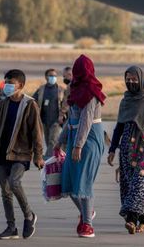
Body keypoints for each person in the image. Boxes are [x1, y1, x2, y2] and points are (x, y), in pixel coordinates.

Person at [107, 66, 144, 234]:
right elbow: (119, 126)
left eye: (134, 79)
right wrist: (112, 150)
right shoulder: (125, 100)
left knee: (139, 184)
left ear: (140, 79)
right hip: (127, 148)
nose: (131, 82)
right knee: (130, 185)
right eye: (128, 79)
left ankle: (132, 220)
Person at [0, 69, 44, 240]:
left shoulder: (30, 104)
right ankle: (11, 227)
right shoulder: (2, 103)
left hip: (20, 153)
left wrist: (39, 155)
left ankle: (29, 216)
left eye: (11, 83)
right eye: (6, 82)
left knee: (14, 182)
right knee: (5, 191)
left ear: (21, 85)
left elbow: (37, 132)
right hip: (1, 153)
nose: (7, 85)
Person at [54, 55, 106, 238]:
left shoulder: (91, 91)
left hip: (89, 139)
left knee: (83, 182)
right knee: (68, 183)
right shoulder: (74, 89)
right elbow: (71, 120)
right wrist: (60, 140)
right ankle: (87, 212)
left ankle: (87, 224)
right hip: (76, 138)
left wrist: (77, 146)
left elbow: (86, 120)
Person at [32, 68, 66, 156]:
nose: (53, 77)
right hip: (44, 121)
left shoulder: (61, 90)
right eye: (51, 75)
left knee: (53, 141)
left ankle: (47, 159)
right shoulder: (41, 89)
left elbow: (66, 104)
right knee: (48, 142)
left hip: (57, 121)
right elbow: (33, 101)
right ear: (46, 77)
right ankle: (56, 159)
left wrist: (62, 115)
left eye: (55, 76)